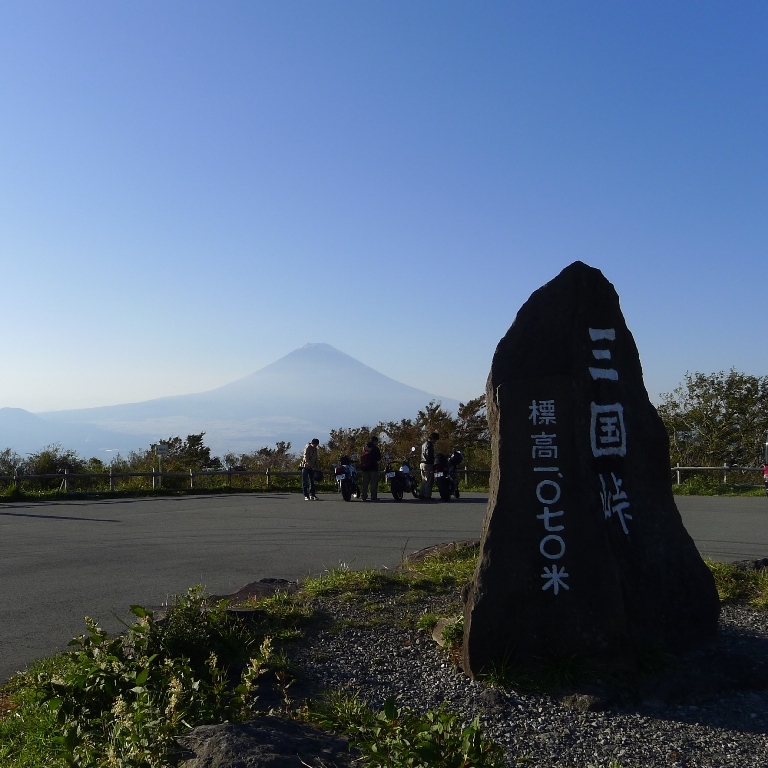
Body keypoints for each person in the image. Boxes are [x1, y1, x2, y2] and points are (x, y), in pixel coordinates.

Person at [359, 435, 382, 501]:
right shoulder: (375, 448)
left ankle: (364, 496)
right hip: (373, 468)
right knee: (373, 483)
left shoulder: (364, 448)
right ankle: (373, 496)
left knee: (365, 483)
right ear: (375, 441)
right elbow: (378, 459)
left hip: (365, 468)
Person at [419, 432, 439, 500]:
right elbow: (429, 455)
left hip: (422, 463)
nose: (435, 442)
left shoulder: (423, 444)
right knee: (429, 480)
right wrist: (433, 460)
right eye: (435, 440)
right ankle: (427, 495)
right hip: (428, 464)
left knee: (424, 480)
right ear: (433, 439)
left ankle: (421, 494)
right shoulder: (429, 445)